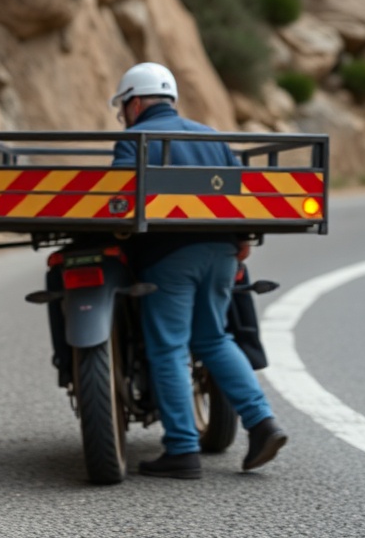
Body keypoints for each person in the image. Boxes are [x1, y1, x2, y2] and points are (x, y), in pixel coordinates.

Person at [110, 62, 287, 479]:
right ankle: (263, 423)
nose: (123, 115)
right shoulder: (212, 137)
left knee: (169, 346)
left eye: (123, 107)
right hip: (223, 253)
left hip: (169, 257)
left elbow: (116, 202)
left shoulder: (134, 139)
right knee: (213, 337)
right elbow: (240, 194)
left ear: (135, 102)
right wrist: (241, 239)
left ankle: (182, 449)